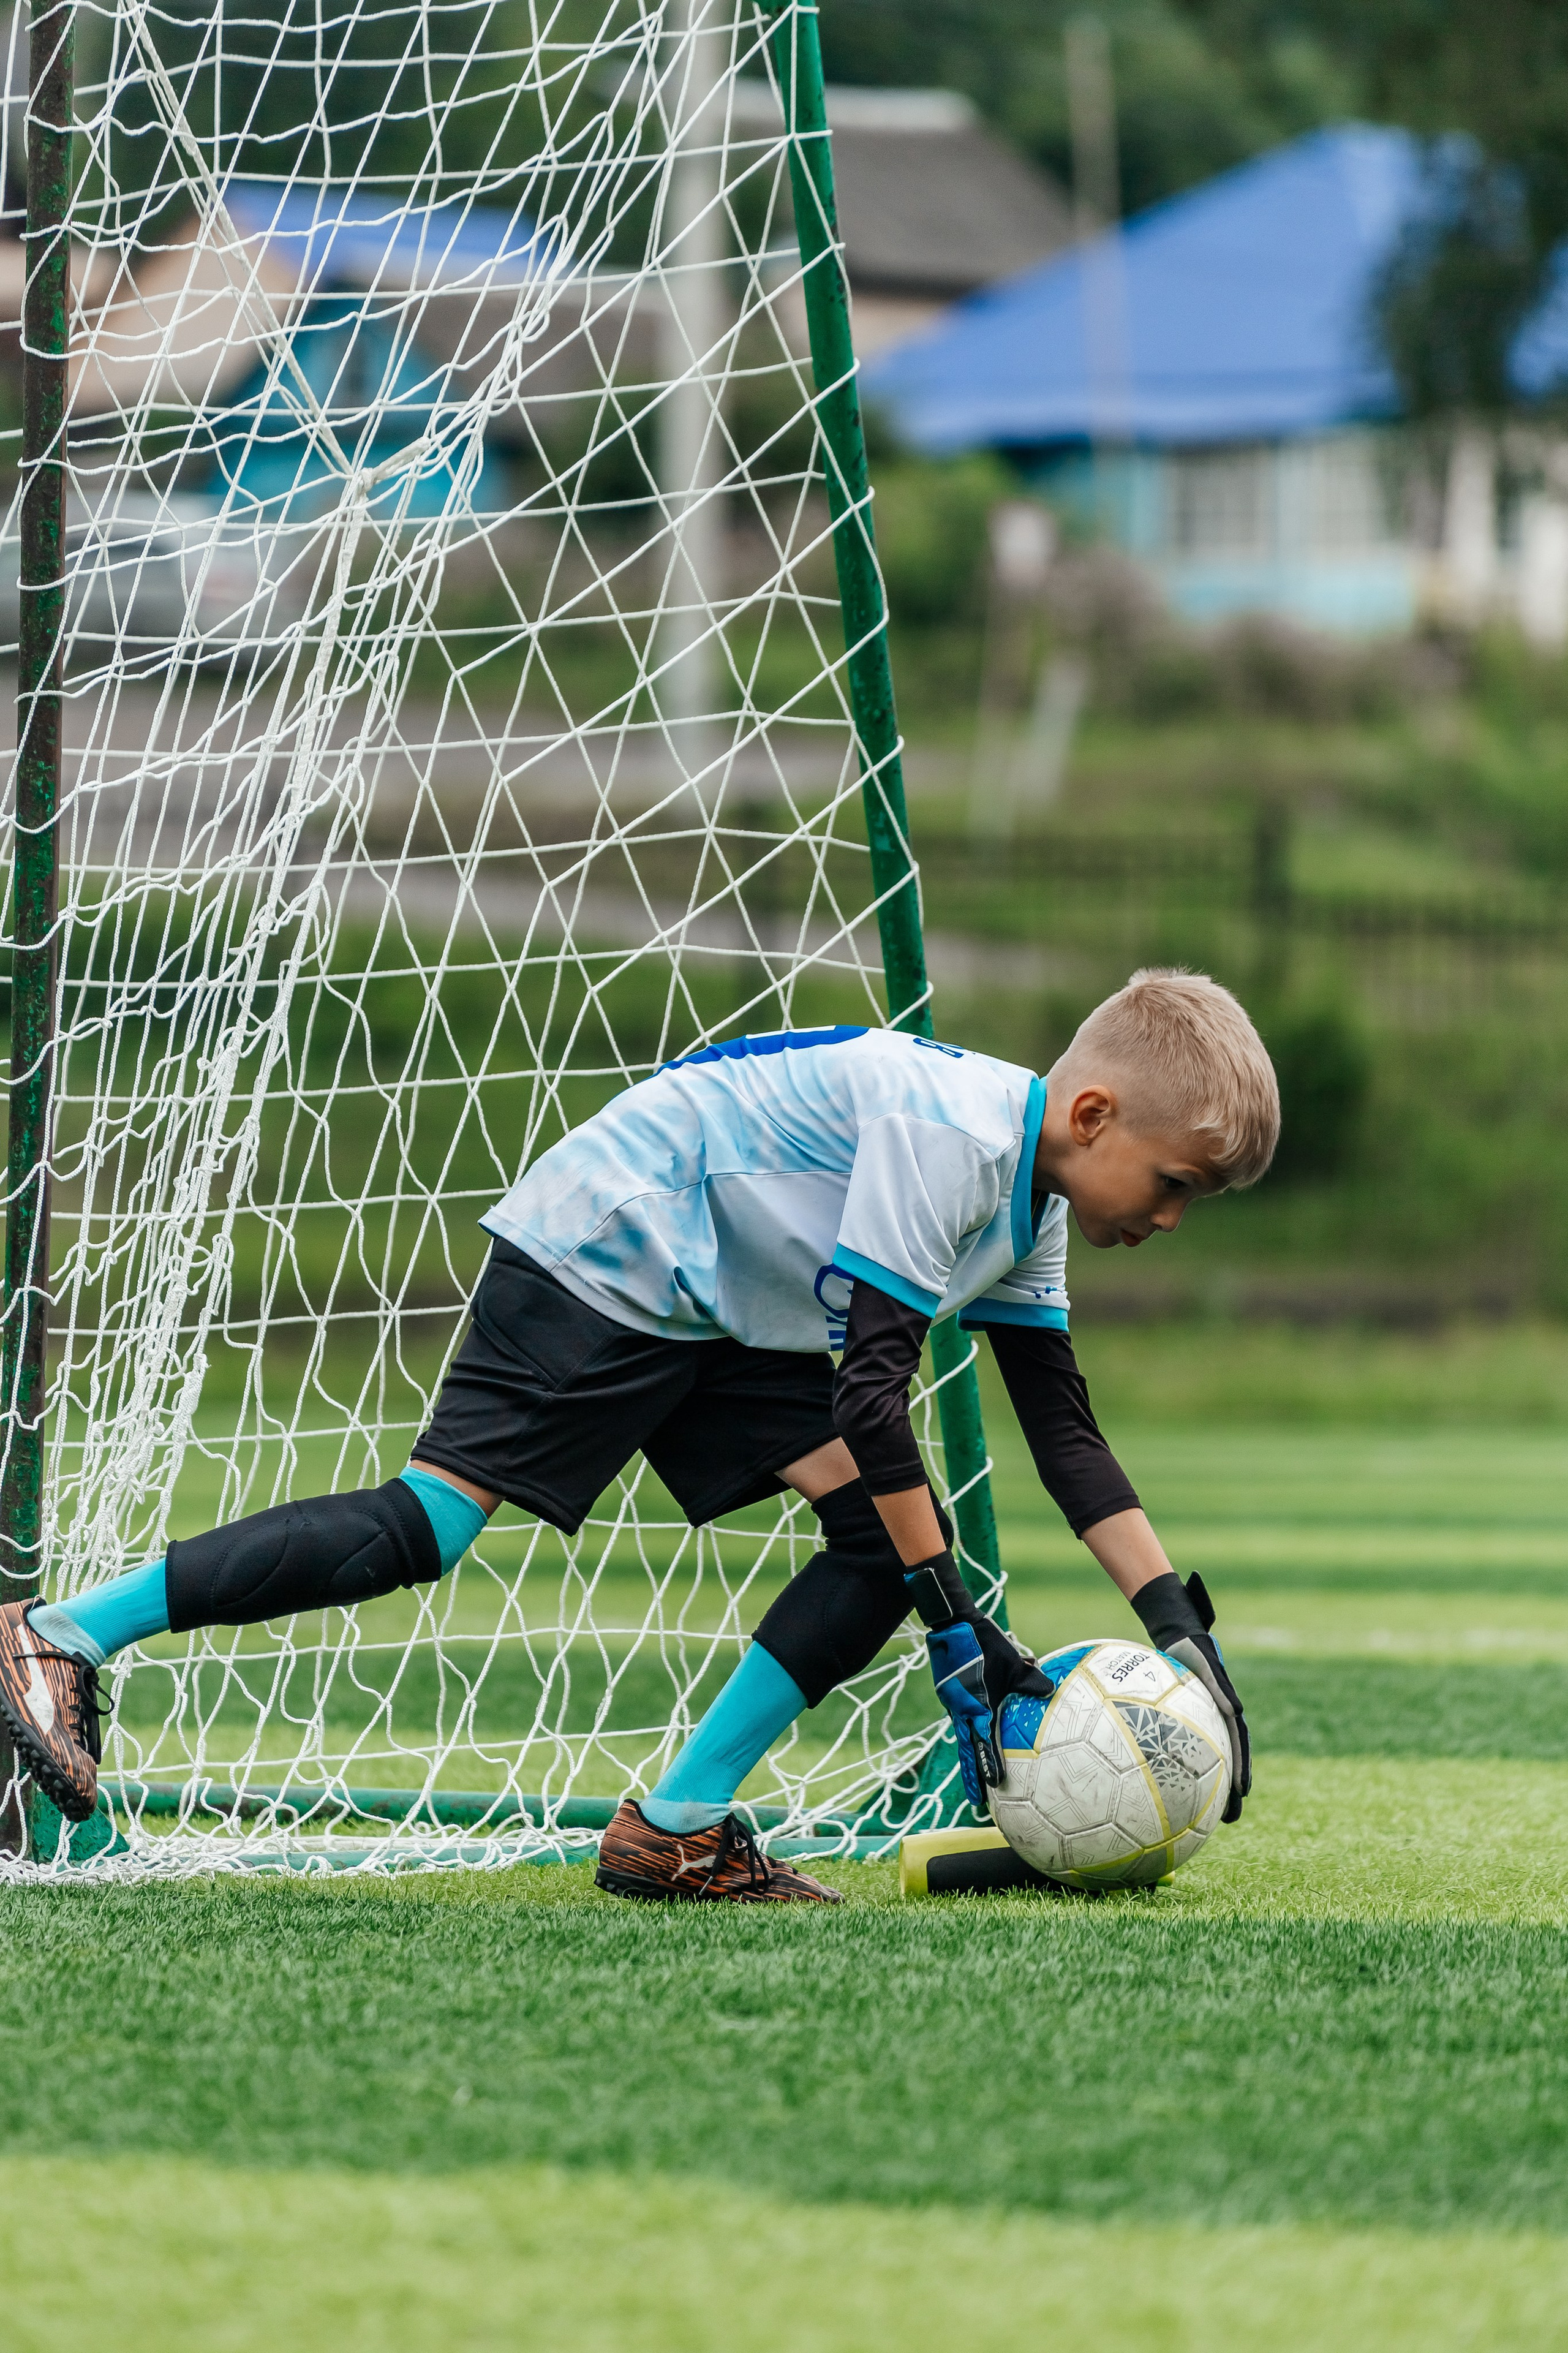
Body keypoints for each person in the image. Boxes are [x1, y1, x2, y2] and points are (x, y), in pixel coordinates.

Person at [0, 967, 1278, 1901]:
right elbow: (868, 1402)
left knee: (874, 1544)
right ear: (1097, 1114)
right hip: (613, 1242)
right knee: (429, 1527)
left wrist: (1181, 1629)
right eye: (1174, 1185)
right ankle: (57, 1634)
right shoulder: (949, 1140)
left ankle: (673, 1827)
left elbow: (1063, 1435)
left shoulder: (1030, 1198)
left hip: (718, 1299)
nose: (1169, 1219)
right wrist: (953, 1615)